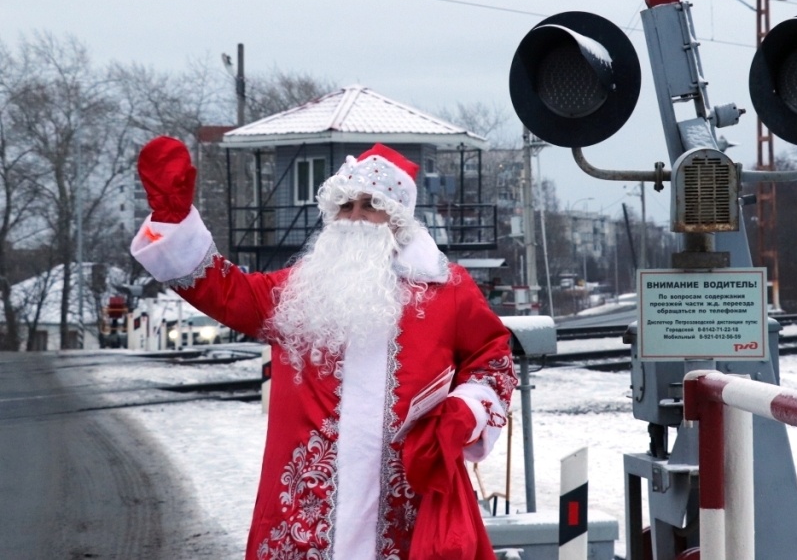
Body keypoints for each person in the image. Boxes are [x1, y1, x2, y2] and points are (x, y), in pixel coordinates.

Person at [131, 137, 518, 560]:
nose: (354, 218)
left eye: (370, 205)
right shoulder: (297, 292)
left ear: (397, 219)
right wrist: (174, 219)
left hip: (404, 512)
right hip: (303, 518)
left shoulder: (447, 291)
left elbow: (492, 358)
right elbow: (222, 290)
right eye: (345, 206)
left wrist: (465, 410)